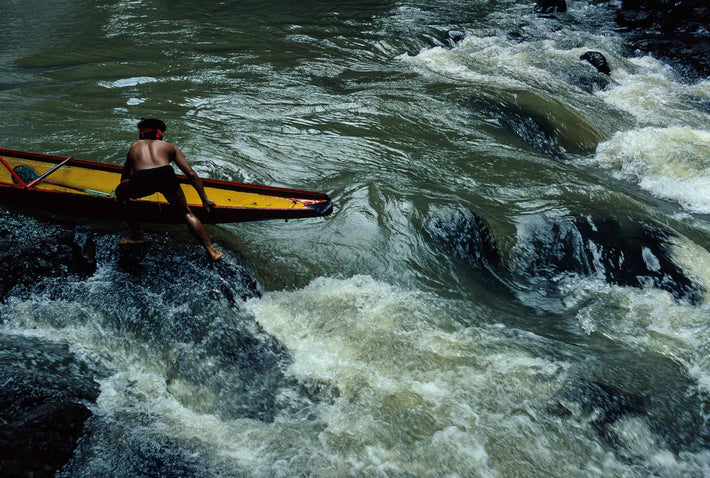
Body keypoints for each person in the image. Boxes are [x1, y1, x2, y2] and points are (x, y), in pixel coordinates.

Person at [115, 118, 223, 261]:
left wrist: (122, 193)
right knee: (186, 213)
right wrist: (204, 198)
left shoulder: (135, 146)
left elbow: (125, 177)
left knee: (120, 195)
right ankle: (211, 251)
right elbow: (191, 174)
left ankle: (137, 235)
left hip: (141, 177)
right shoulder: (169, 146)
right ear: (160, 134)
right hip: (165, 174)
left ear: (141, 134)